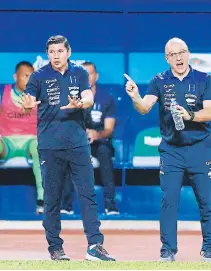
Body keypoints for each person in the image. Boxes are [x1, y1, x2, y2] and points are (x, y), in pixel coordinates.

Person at [20, 35, 115, 261]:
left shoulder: (80, 73)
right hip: (49, 146)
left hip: (78, 144)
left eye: (60, 51)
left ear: (68, 52)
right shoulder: (39, 76)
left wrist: (82, 103)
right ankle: (55, 247)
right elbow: (28, 100)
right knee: (52, 198)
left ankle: (95, 245)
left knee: (88, 194)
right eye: (51, 52)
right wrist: (26, 105)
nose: (56, 56)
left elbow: (88, 96)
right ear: (47, 54)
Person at [124, 37, 211, 262]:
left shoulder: (204, 79)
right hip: (171, 151)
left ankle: (210, 250)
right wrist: (135, 96)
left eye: (182, 52)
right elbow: (144, 108)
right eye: (173, 54)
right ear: (167, 58)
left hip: (200, 148)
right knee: (169, 201)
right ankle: (168, 250)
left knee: (207, 202)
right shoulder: (159, 80)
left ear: (188, 54)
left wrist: (190, 115)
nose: (178, 58)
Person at [61, 61, 119, 216]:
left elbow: (109, 129)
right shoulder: (71, 98)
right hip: (77, 142)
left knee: (105, 154)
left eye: (90, 73)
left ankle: (110, 205)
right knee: (66, 154)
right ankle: (66, 205)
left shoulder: (106, 98)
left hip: (99, 142)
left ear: (96, 76)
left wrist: (96, 134)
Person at [0, 61, 44, 214]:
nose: (29, 80)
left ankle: (42, 199)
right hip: (6, 142)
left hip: (30, 142)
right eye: (25, 76)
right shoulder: (2, 92)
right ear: (15, 76)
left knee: (40, 148)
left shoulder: (41, 96)